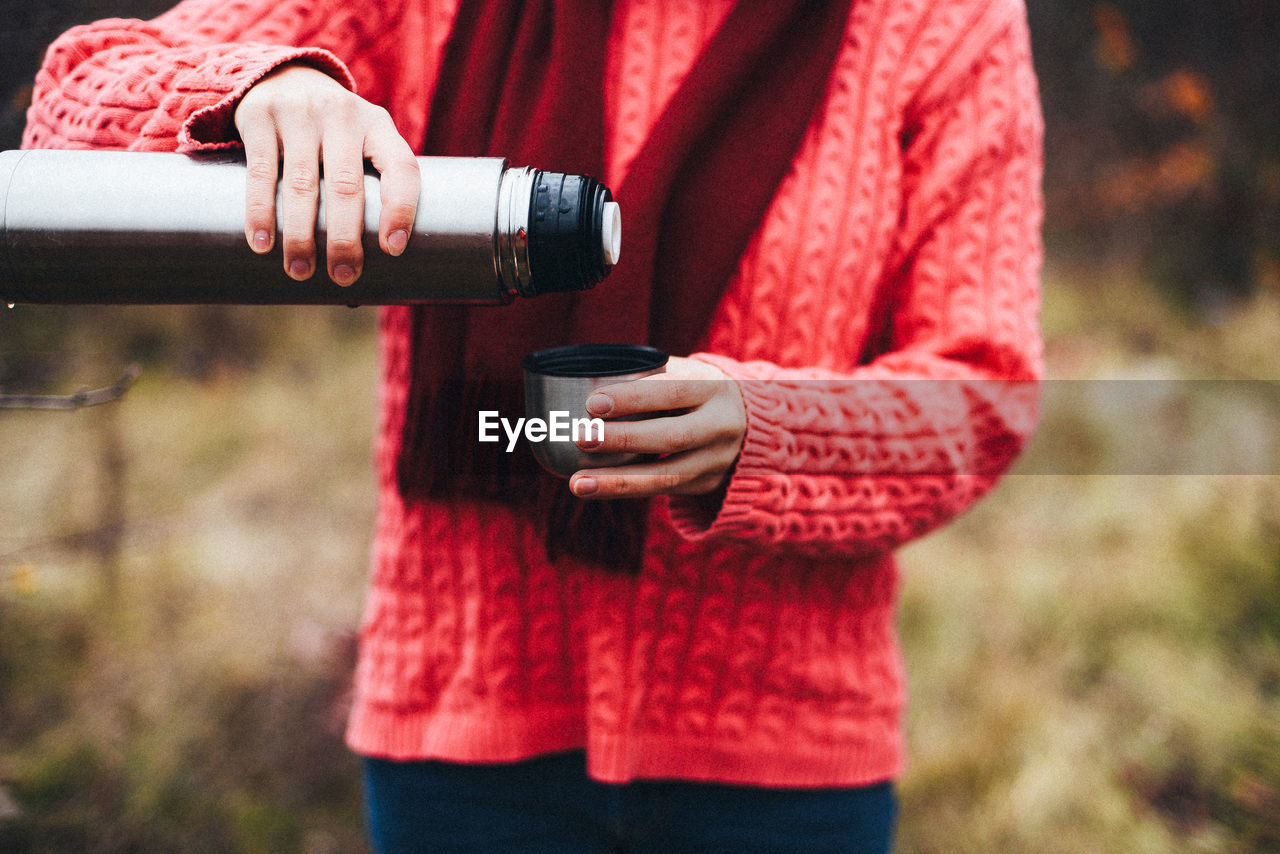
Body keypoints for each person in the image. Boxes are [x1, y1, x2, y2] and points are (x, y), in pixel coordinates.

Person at [24, 0, 1044, 850]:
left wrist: (766, 432)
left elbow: (982, 394)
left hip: (782, 770)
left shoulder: (937, 23)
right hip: (460, 756)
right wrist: (268, 87)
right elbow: (80, 86)